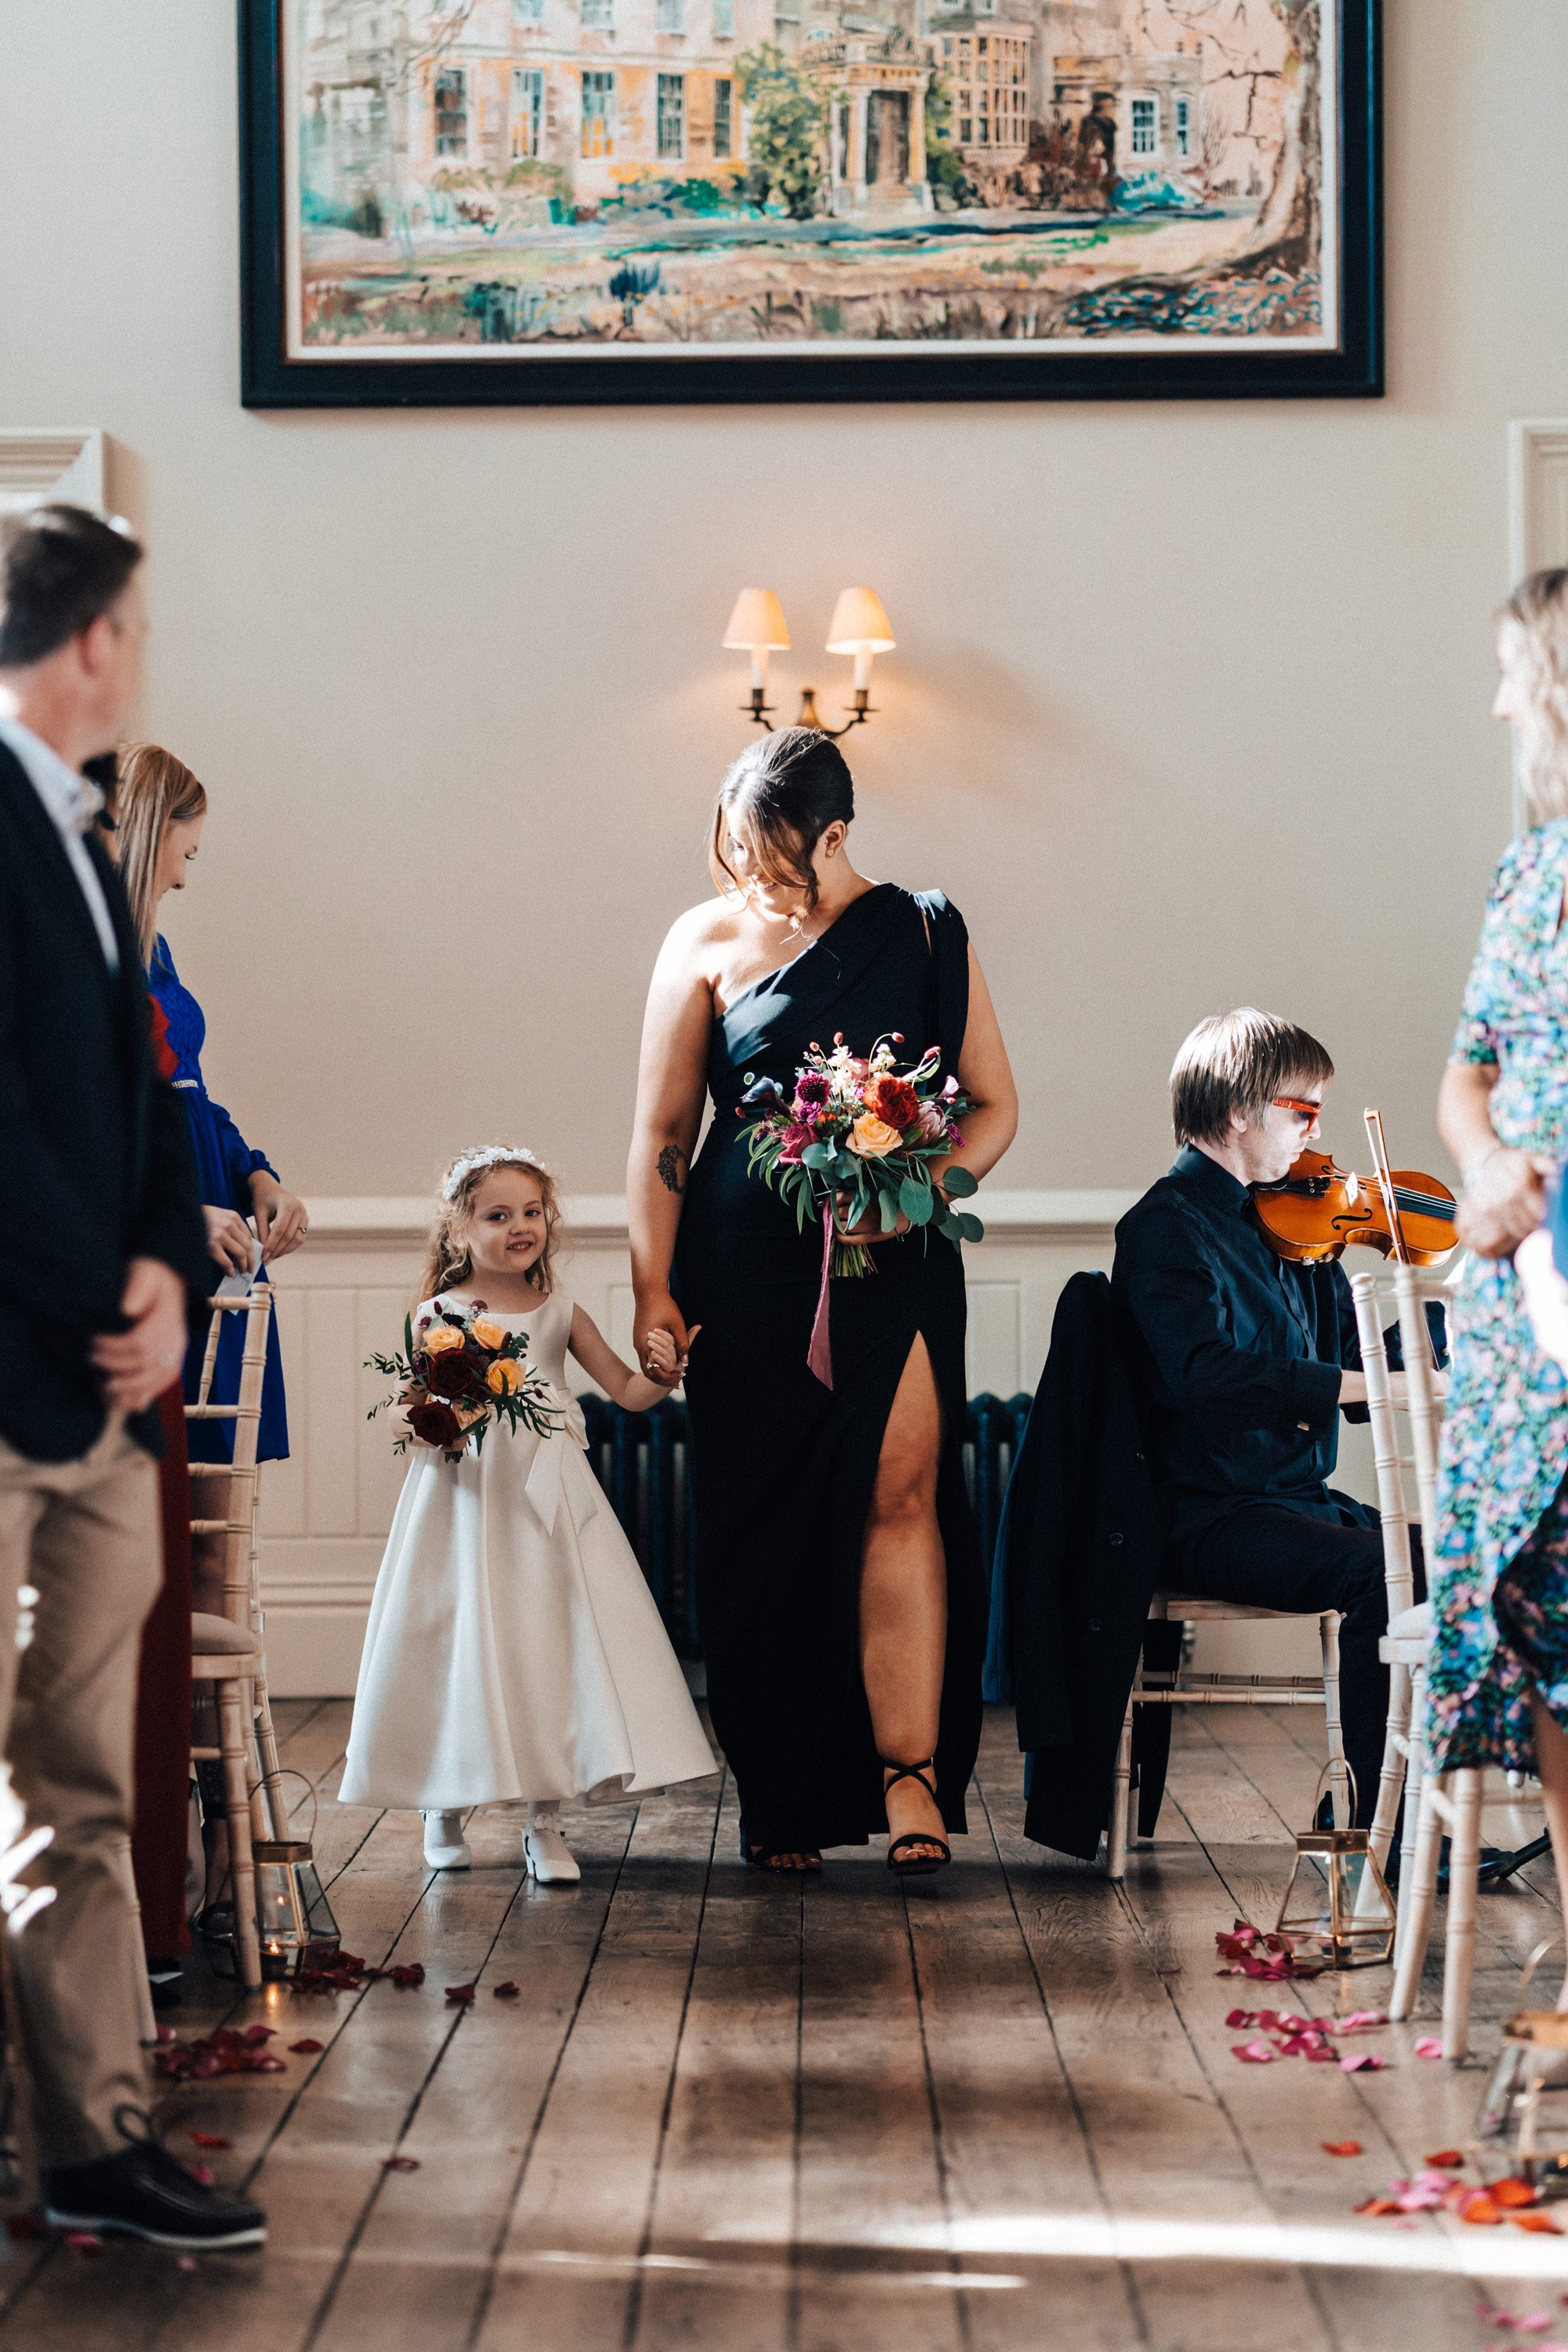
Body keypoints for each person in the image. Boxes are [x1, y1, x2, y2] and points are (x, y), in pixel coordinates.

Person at [0, 503, 264, 2248]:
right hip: (8, 1368)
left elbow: (141, 1115)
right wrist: (97, 1283)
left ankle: (97, 2140)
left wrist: (166, 1274)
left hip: (101, 1390)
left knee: (79, 1784)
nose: (144, 655)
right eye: (141, 629)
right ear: (92, 639)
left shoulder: (89, 850)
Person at [628, 728, 1018, 1872]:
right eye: (735, 851)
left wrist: (921, 1195)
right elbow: (662, 1135)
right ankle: (786, 1794)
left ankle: (912, 1784)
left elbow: (992, 1106)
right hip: (743, 1275)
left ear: (834, 836)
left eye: (772, 857)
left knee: (902, 1495)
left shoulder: (928, 929)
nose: (750, 878)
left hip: (889, 1265)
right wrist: (654, 1284)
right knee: (762, 1525)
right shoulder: (700, 940)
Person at [339, 1147, 715, 1878]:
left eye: (532, 1213)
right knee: (458, 1636)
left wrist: (665, 1375)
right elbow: (410, 1407)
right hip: (465, 1499)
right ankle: (441, 1806)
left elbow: (627, 1393)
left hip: (547, 1502)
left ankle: (544, 1817)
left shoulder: (560, 1312)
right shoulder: (438, 1316)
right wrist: (422, 1417)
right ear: (459, 1231)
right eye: (498, 1215)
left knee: (551, 1639)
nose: (520, 1227)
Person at [1112, 1009, 1436, 1828]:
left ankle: (1396, 1810)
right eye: (1302, 1111)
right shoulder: (1162, 1227)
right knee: (1382, 1576)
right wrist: (1357, 1388)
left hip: (1293, 1499)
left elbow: (1349, 1365)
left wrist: (1441, 1326)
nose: (1314, 1134)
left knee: (1448, 1554)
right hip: (1208, 1512)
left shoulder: (1292, 1226)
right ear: (1236, 1112)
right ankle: (1374, 1828)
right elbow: (1202, 1376)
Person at [1427, 568, 1568, 1986]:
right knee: (1545, 1619)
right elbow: (1468, 1073)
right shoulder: (1529, 875)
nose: (1499, 703)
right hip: (1529, 1306)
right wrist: (1483, 1167)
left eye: (1515, 673)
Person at [113, 743, 304, 1616]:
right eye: (185, 855)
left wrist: (256, 1173)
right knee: (148, 1533)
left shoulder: (155, 957)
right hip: (147, 1262)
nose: (185, 880)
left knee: (213, 1534)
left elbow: (190, 1097)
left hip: (216, 1240)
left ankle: (207, 1751)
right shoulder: (71, 958)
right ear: (147, 838)